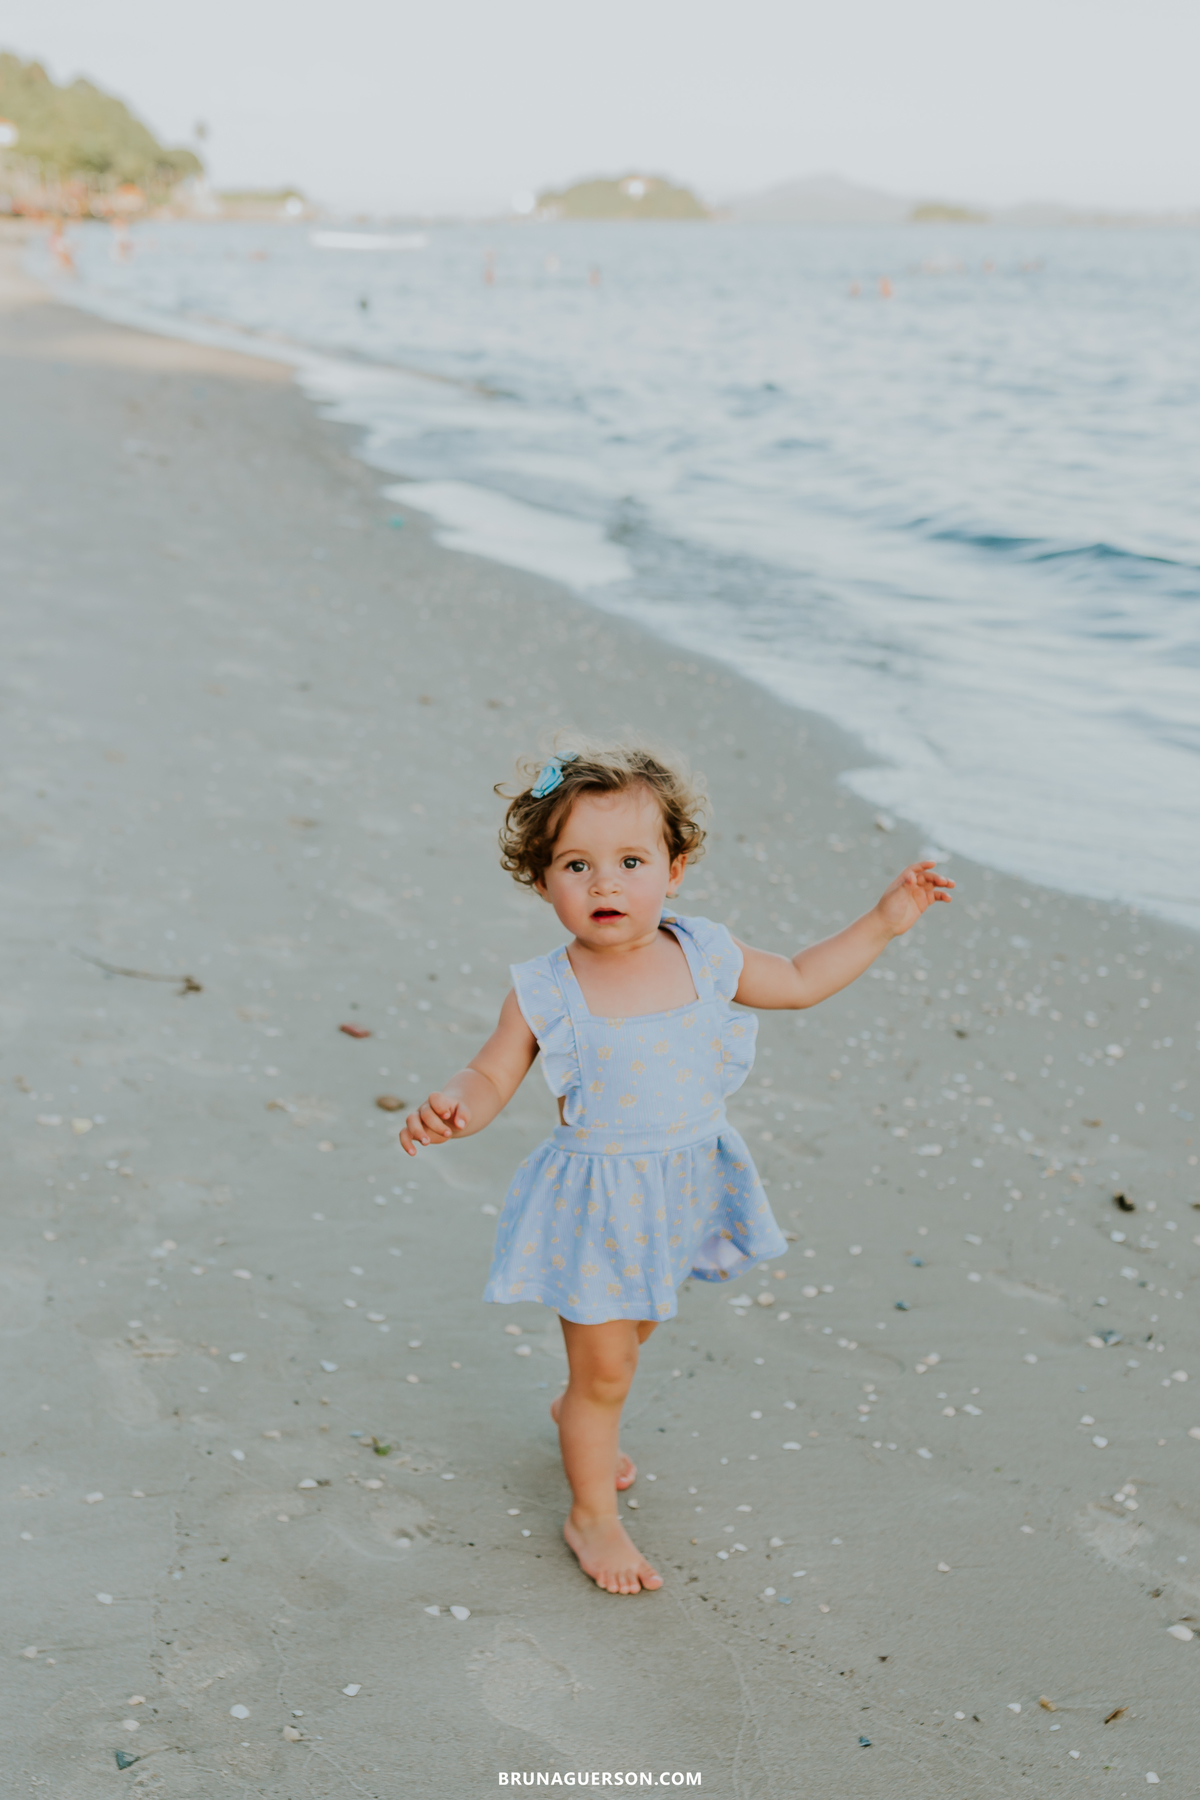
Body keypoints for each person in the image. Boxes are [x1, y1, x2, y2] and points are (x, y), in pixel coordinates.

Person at [399, 742, 953, 1594]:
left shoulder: (706, 955)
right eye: (575, 866)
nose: (604, 884)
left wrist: (883, 921)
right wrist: (455, 1106)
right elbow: (493, 1072)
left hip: (684, 1186)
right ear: (542, 881)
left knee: (642, 1325)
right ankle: (591, 1513)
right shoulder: (545, 989)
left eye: (630, 862)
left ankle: (578, 1403)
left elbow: (803, 979)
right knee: (609, 1368)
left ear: (676, 868)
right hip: (597, 1201)